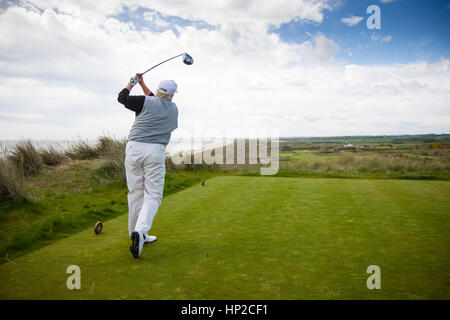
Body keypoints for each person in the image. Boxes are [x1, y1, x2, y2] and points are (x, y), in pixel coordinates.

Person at [117, 74, 179, 258]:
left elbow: (122, 98)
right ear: (173, 95)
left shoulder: (145, 102)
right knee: (153, 194)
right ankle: (141, 232)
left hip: (134, 148)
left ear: (159, 90)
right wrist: (142, 84)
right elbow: (155, 99)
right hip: (155, 151)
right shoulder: (173, 109)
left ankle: (135, 233)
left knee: (136, 192)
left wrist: (132, 82)